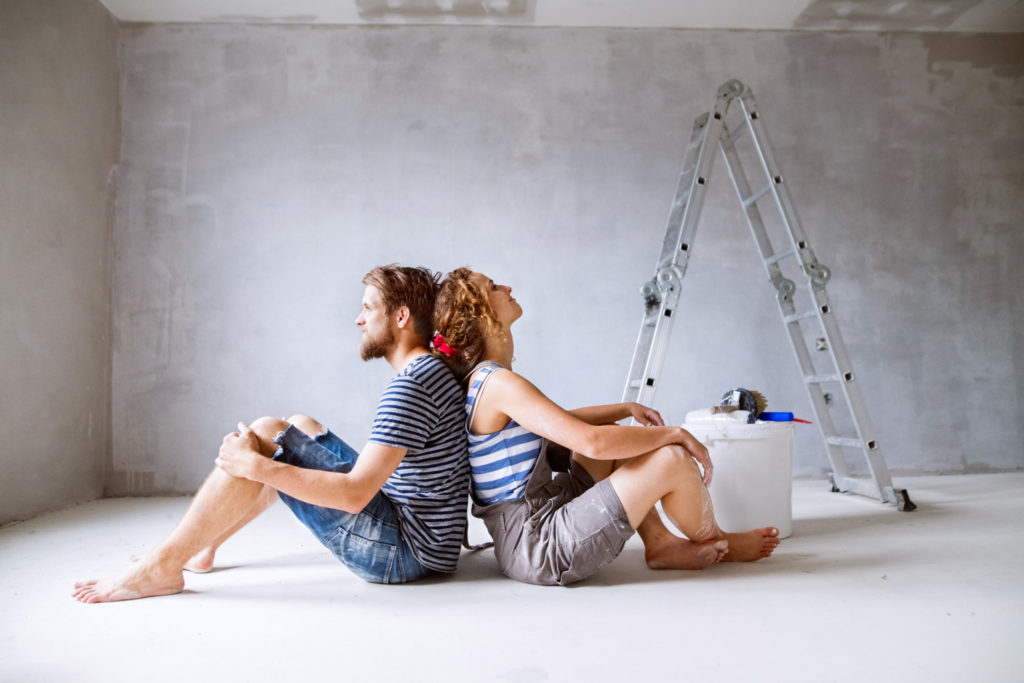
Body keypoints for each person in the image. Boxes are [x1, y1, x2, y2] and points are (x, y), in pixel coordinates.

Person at [73, 265, 469, 602]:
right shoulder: (429, 371)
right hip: (430, 544)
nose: (359, 319)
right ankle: (203, 546)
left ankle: (161, 567)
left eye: (367, 308)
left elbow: (354, 495)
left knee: (266, 437)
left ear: (400, 318)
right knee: (298, 425)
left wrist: (254, 466)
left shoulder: (412, 385)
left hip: (404, 554)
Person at [431, 268, 779, 586]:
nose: (506, 286)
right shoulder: (498, 383)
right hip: (539, 544)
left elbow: (562, 422)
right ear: (480, 314)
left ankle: (660, 545)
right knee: (669, 459)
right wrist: (675, 433)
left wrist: (626, 408)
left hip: (533, 524)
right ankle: (721, 540)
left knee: (618, 434)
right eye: (493, 287)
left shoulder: (488, 382)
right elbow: (594, 442)